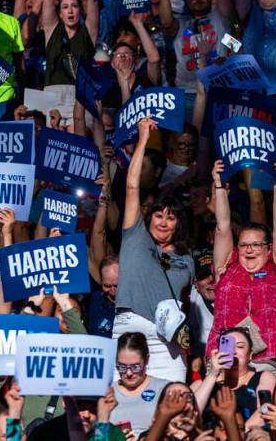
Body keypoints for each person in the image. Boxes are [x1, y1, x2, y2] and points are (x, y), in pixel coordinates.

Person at [114, 118, 195, 382]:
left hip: (168, 342)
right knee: (124, 410)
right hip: (130, 332)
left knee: (173, 405)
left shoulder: (187, 260)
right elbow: (132, 186)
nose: (163, 221)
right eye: (158, 215)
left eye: (171, 217)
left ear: (178, 224)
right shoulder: (135, 237)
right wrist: (143, 141)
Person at [208, 159, 276, 367]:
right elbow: (222, 227)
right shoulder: (226, 269)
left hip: (269, 357)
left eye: (256, 245)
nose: (249, 250)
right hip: (226, 358)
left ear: (268, 249)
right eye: (244, 245)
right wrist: (219, 186)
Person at [111, 332, 169, 436]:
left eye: (135, 367)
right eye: (122, 367)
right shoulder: (108, 393)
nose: (128, 373)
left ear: (146, 360)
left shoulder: (164, 389)